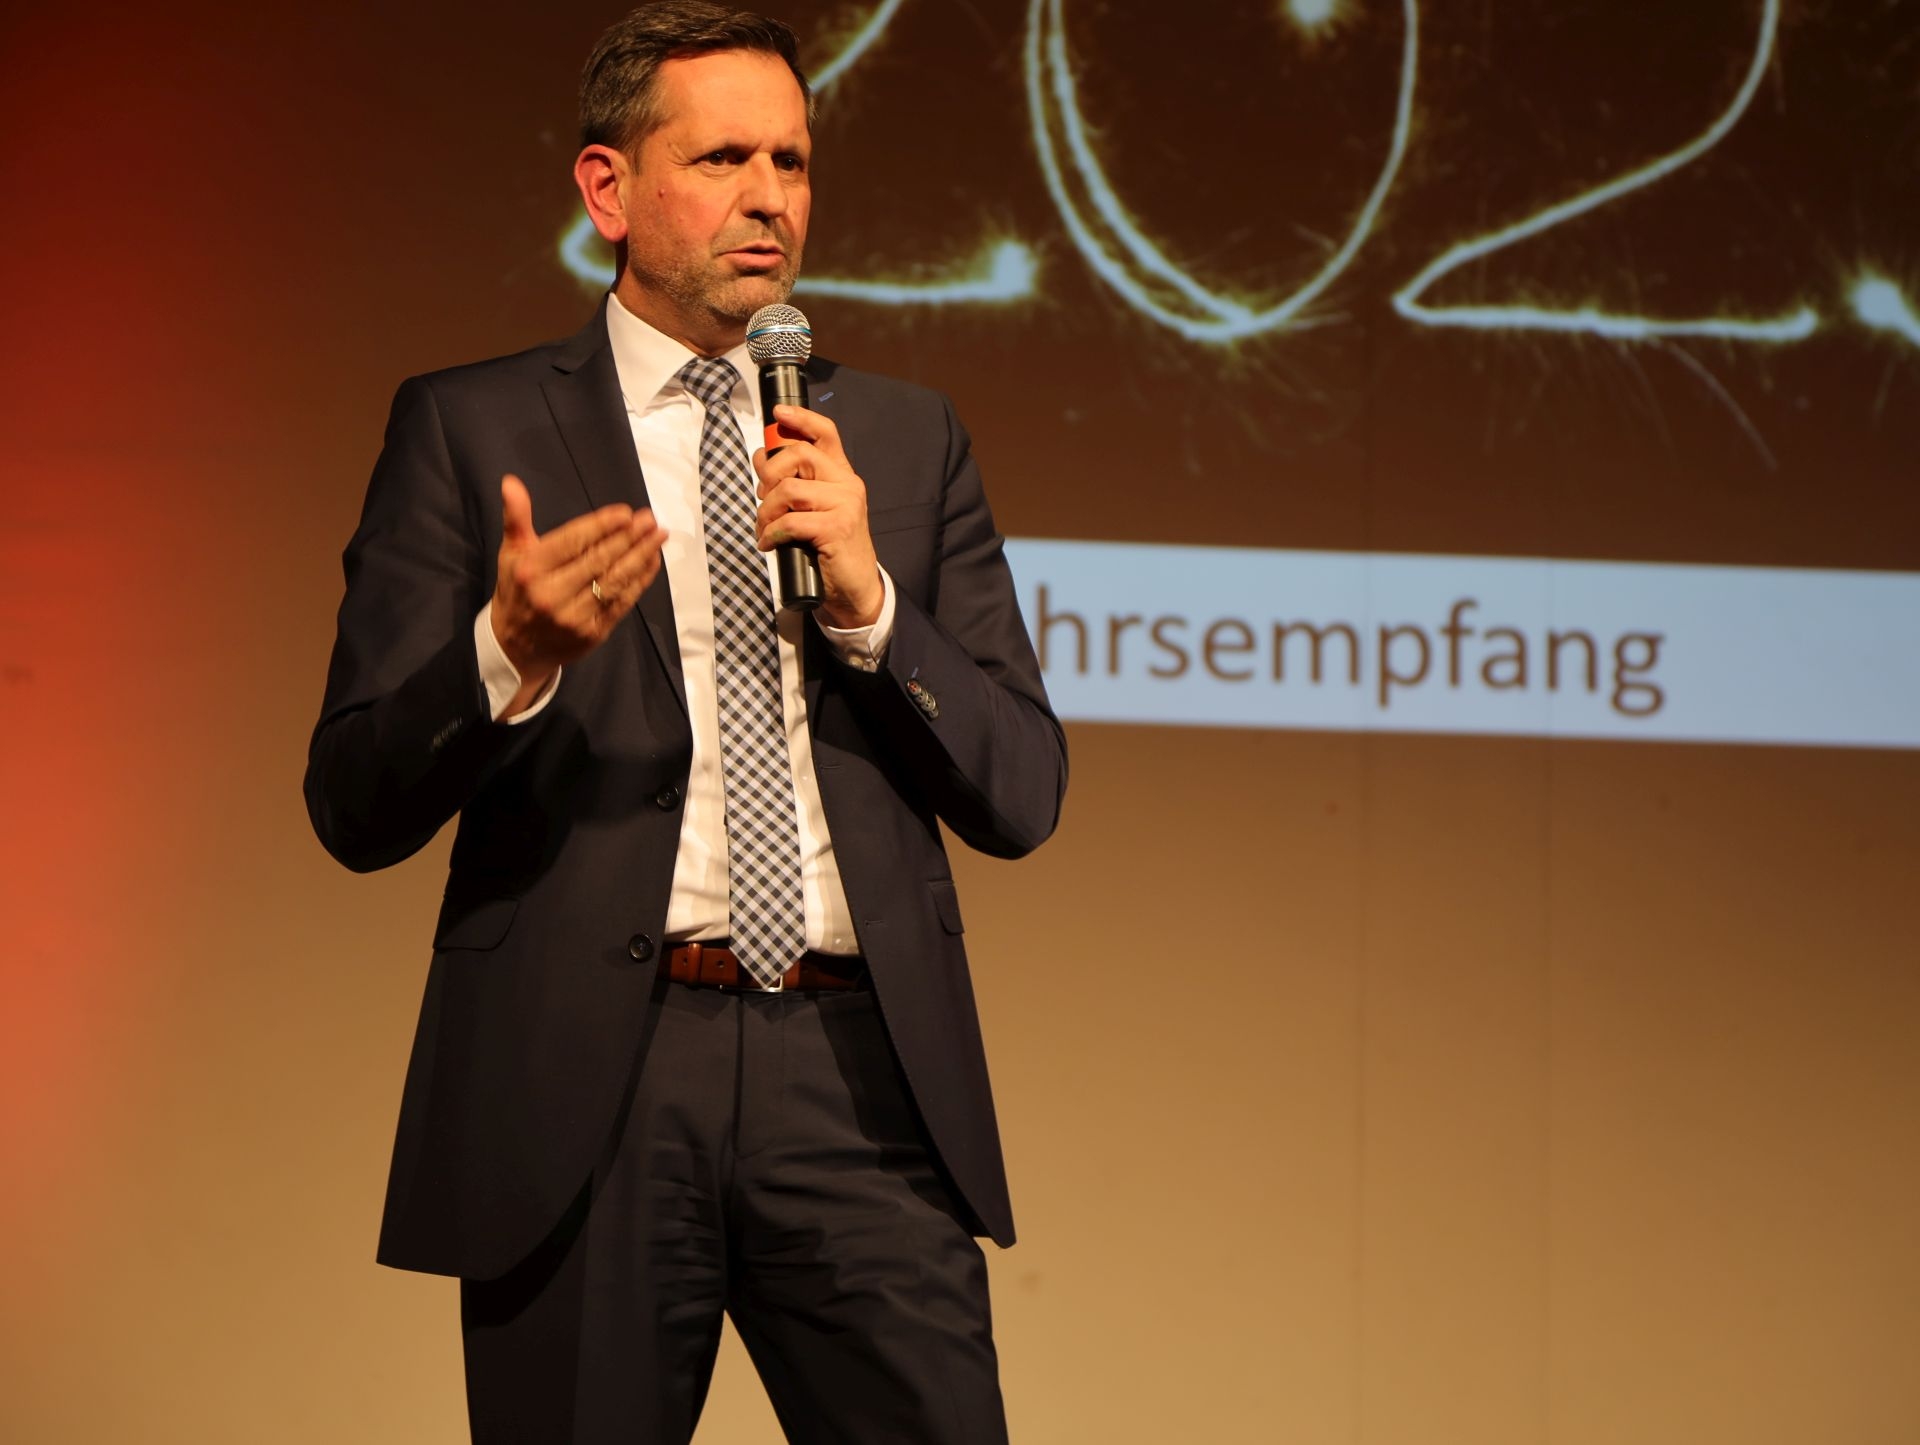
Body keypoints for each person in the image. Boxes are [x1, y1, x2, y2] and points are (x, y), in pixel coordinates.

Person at [303, 3, 1066, 1440]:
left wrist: (873, 606)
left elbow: (1023, 790)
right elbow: (351, 798)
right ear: (608, 190)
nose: (770, 197)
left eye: (793, 160)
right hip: (590, 1081)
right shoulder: (471, 430)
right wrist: (504, 656)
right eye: (722, 159)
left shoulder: (905, 442)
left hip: (857, 1078)